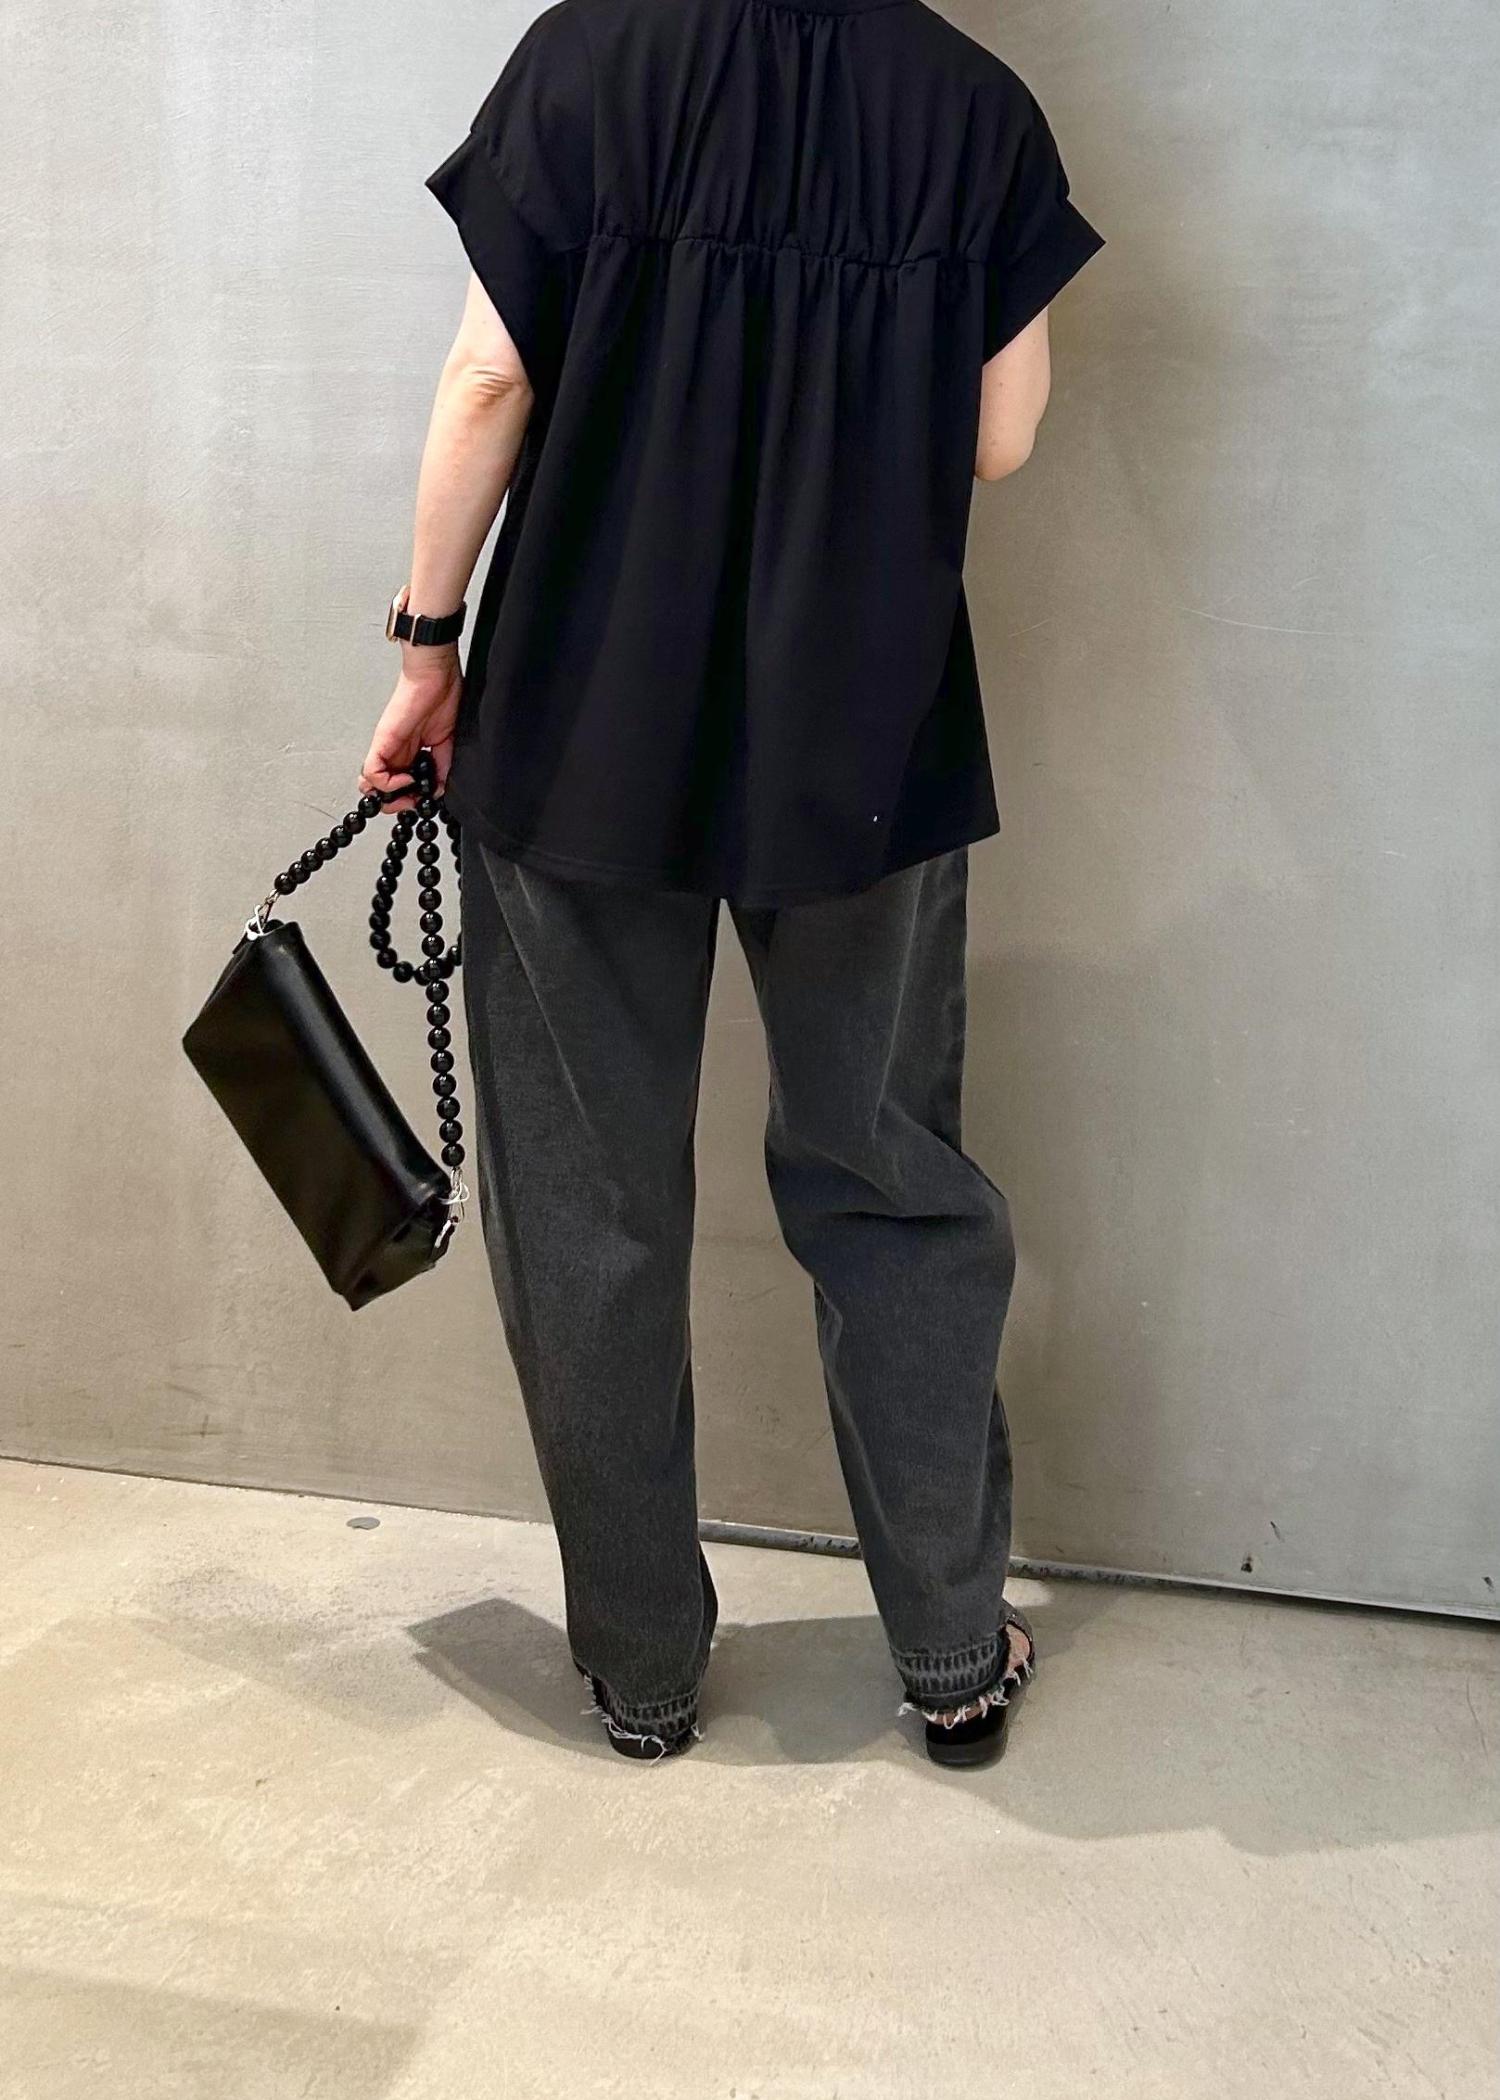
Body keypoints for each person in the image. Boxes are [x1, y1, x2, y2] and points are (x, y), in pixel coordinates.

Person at [361, 0, 1103, 1765]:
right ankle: (950, 1649)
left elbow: (488, 381)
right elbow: (999, 439)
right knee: (888, 1179)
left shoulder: (585, 63)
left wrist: (426, 645)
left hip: (584, 722)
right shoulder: (974, 110)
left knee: (589, 1201)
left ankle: (640, 1667)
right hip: (865, 736)